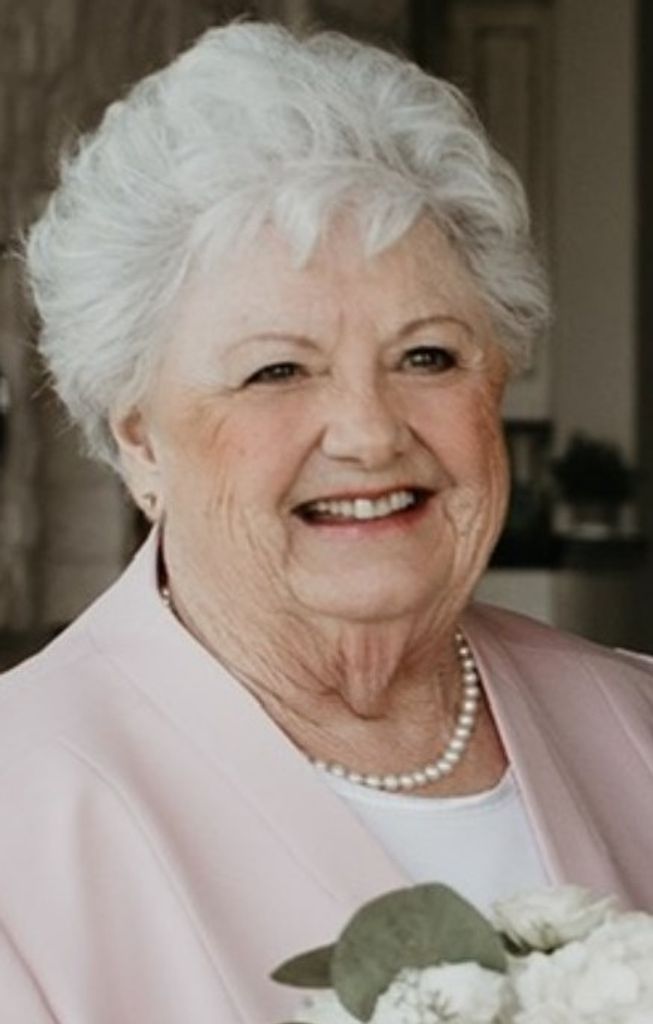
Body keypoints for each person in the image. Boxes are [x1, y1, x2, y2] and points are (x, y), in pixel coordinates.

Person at [3, 20, 652, 1023]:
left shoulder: (633, 727)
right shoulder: (23, 804)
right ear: (139, 439)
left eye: (427, 356)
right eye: (277, 370)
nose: (368, 432)